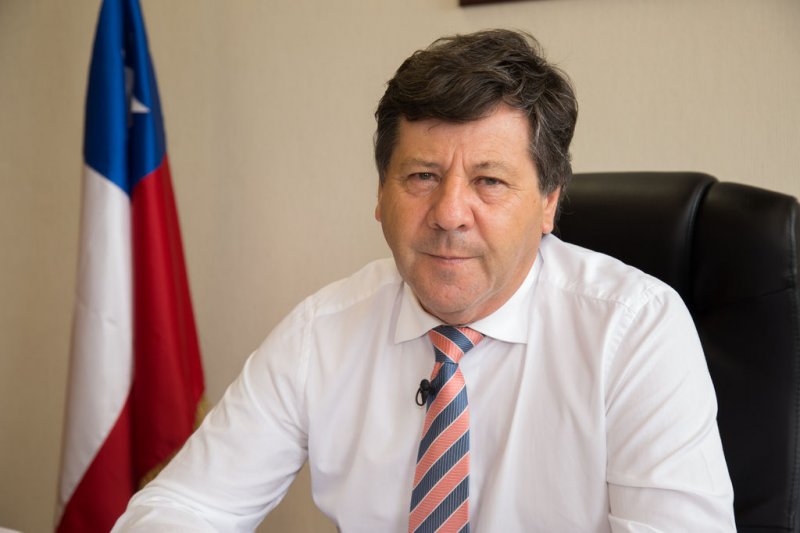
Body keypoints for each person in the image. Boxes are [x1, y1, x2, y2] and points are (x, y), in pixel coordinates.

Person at [113, 29, 735, 532]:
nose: (448, 213)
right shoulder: (322, 333)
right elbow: (183, 506)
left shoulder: (636, 331)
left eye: (489, 181)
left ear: (549, 203)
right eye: (421, 177)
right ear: (380, 195)